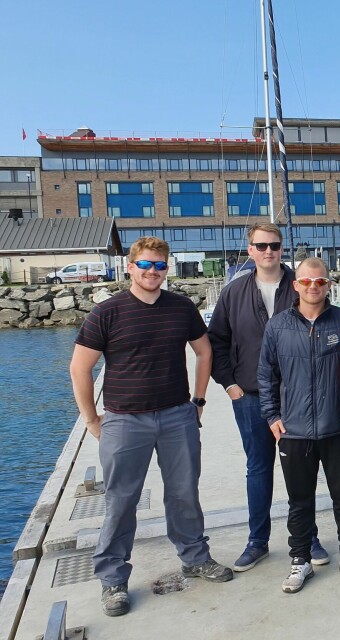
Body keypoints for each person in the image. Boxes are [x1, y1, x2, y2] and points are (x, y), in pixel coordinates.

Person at [69, 236, 233, 618]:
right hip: (125, 420)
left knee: (183, 493)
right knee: (121, 500)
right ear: (130, 267)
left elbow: (204, 351)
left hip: (177, 415)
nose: (153, 272)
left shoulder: (181, 308)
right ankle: (113, 579)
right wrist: (91, 419)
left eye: (160, 266)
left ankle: (195, 557)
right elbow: (80, 367)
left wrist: (199, 400)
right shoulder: (107, 313)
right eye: (145, 265)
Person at [208, 223, 326, 572]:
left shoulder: (300, 287)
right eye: (261, 246)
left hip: (297, 397)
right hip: (250, 397)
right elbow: (216, 341)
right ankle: (257, 541)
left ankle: (308, 538)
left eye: (274, 245)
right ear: (250, 250)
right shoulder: (233, 293)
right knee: (258, 468)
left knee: (301, 471)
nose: (268, 252)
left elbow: (323, 334)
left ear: (281, 248)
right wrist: (228, 383)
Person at [258, 257, 340, 593]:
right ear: (296, 285)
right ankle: (300, 560)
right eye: (306, 282)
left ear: (329, 285)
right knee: (299, 499)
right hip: (294, 431)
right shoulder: (278, 326)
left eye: (319, 282)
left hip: (338, 428)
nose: (313, 287)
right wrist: (272, 416)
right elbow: (266, 374)